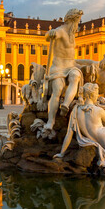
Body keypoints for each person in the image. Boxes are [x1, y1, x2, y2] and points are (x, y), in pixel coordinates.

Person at [41, 8, 85, 136]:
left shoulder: (72, 35)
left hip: (71, 66)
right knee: (58, 89)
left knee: (76, 76)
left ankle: (65, 105)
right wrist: (50, 33)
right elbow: (47, 36)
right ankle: (51, 121)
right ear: (71, 21)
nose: (78, 24)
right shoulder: (60, 31)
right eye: (77, 21)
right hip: (58, 67)